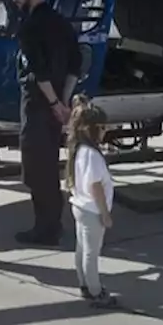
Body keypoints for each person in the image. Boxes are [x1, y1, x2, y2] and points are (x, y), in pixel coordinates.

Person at [12, 0, 81, 246]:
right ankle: (52, 224)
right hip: (55, 105)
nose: (16, 1)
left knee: (36, 167)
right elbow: (76, 63)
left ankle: (46, 228)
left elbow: (38, 70)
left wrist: (53, 103)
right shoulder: (62, 23)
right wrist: (64, 101)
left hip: (38, 105)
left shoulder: (30, 27)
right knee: (49, 166)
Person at [66, 96, 117, 308]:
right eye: (102, 127)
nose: (105, 131)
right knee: (91, 253)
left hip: (80, 205)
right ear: (90, 128)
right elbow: (96, 186)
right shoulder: (93, 155)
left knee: (81, 249)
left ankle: (84, 285)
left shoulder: (78, 149)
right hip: (92, 210)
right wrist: (105, 214)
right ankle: (96, 292)